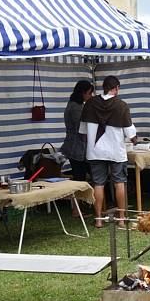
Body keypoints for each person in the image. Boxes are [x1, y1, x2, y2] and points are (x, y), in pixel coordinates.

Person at [80, 75, 137, 228]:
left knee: (98, 183)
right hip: (115, 151)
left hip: (95, 151)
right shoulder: (121, 105)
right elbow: (130, 133)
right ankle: (121, 219)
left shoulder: (90, 103)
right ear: (116, 88)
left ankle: (98, 219)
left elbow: (83, 131)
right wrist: (134, 139)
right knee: (119, 182)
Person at [61, 80, 94, 216]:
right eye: (89, 93)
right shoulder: (76, 108)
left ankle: (81, 206)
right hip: (76, 147)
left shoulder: (74, 105)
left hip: (74, 146)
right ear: (83, 93)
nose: (90, 96)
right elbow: (82, 128)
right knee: (79, 178)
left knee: (80, 177)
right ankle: (76, 209)